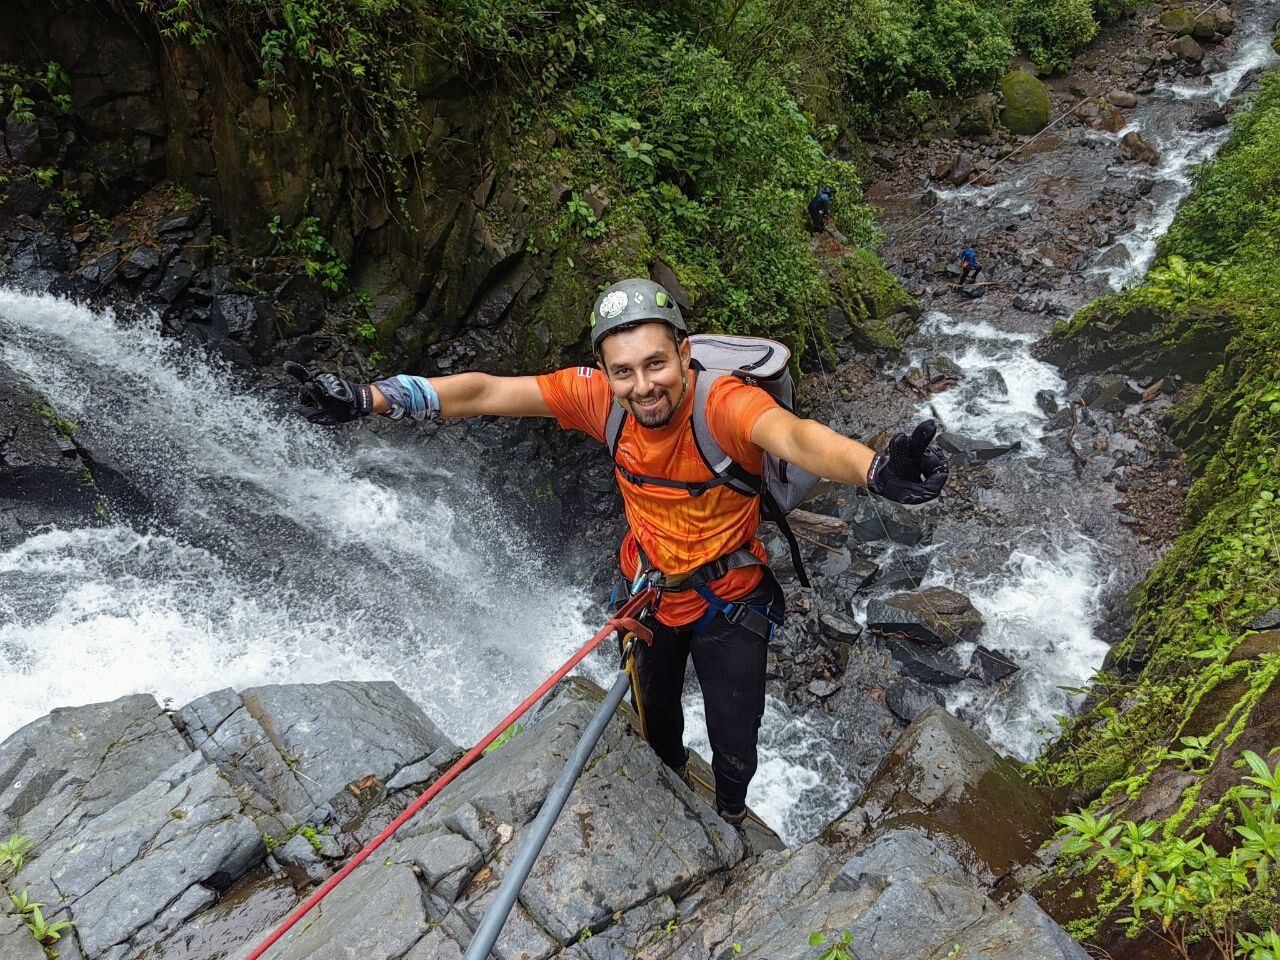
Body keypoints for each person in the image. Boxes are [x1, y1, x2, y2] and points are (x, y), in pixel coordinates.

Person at [286, 278, 948, 824]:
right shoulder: (597, 399)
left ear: (684, 356)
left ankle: (729, 819)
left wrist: (873, 470)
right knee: (655, 728)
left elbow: (795, 436)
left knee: (735, 740)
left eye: (656, 364)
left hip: (729, 601)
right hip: (650, 596)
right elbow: (489, 391)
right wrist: (371, 399)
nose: (642, 386)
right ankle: (667, 803)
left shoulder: (725, 408)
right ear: (605, 371)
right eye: (624, 371)